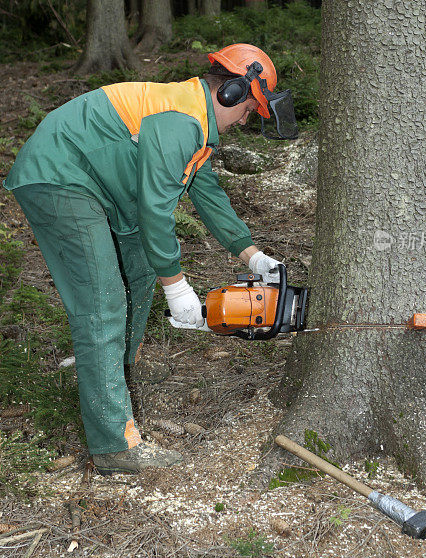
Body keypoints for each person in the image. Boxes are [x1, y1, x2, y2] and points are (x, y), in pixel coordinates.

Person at [3, 44, 292, 475]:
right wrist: (177, 290)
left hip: (96, 183)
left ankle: (108, 374)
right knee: (103, 301)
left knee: (137, 269)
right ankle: (114, 446)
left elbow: (206, 193)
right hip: (60, 176)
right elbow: (156, 209)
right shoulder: (181, 120)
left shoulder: (193, 119)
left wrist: (252, 257)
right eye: (249, 110)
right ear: (231, 93)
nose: (245, 120)